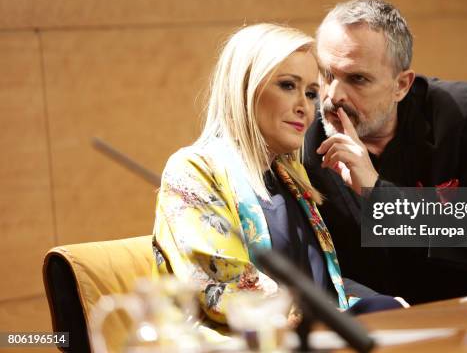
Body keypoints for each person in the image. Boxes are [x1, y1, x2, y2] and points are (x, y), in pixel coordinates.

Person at [152, 24, 401, 335]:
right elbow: (226, 293)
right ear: (244, 88)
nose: (305, 107)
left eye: (311, 93)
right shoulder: (192, 169)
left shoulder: (292, 175)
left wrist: (385, 307)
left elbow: (323, 288)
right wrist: (334, 322)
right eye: (287, 85)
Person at [304, 0, 467, 305]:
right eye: (327, 75)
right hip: (385, 319)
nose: (333, 96)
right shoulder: (304, 137)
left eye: (357, 79)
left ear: (402, 85)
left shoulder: (460, 113)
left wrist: (378, 192)